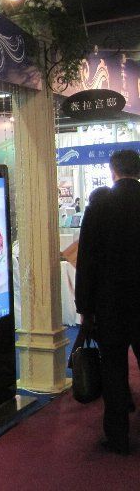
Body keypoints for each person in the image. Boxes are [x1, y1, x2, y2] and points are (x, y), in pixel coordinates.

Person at [75, 149, 140, 455]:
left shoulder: (99, 206)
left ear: (113, 171)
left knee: (113, 370)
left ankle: (117, 438)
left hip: (109, 304)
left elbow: (86, 261)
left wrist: (84, 308)